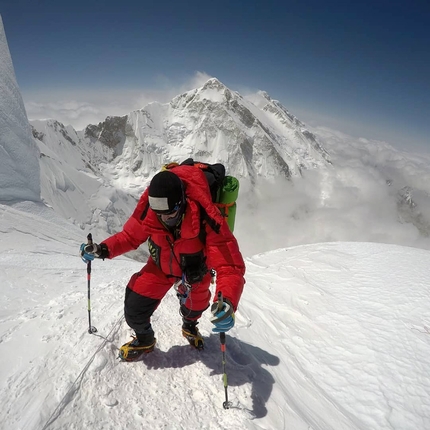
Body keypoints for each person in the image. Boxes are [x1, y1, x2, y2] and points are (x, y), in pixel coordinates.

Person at [80, 164, 246, 361]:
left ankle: (190, 324)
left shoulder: (206, 215)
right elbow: (129, 237)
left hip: (196, 273)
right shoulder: (150, 211)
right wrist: (102, 249)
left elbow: (229, 265)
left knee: (195, 308)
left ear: (182, 202)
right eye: (160, 213)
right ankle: (145, 339)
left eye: (170, 213)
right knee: (134, 307)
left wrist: (226, 301)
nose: (164, 218)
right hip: (160, 267)